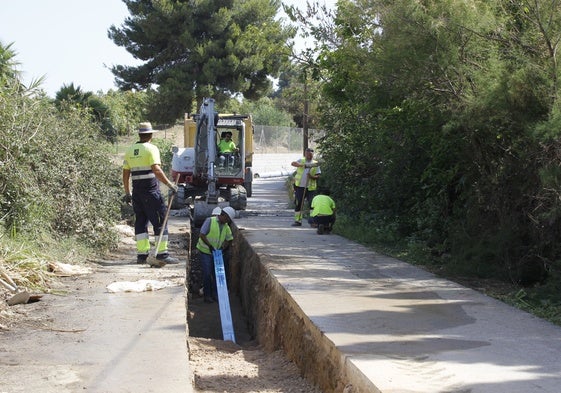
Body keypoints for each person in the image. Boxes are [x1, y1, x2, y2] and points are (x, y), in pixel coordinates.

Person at [122, 122, 179, 265]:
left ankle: (142, 255)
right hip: (150, 192)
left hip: (137, 193)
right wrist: (170, 184)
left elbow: (125, 174)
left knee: (141, 222)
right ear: (151, 135)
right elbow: (157, 170)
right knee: (160, 221)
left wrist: (127, 192)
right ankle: (162, 254)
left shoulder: (130, 150)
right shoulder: (151, 149)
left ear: (139, 134)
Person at [196, 206, 236, 303]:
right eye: (227, 219)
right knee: (207, 274)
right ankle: (207, 295)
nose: (227, 222)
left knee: (216, 275)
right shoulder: (210, 221)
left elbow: (229, 239)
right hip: (205, 252)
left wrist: (224, 248)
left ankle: (215, 294)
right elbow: (202, 234)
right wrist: (209, 246)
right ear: (223, 215)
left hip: (217, 254)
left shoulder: (226, 226)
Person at [290, 148, 321, 226]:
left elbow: (318, 176)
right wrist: (302, 165)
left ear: (312, 154)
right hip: (300, 186)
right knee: (299, 203)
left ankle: (313, 221)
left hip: (310, 188)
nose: (308, 156)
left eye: (310, 154)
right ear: (305, 154)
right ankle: (298, 221)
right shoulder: (301, 160)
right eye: (307, 154)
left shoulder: (315, 163)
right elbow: (293, 163)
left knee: (312, 204)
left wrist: (311, 176)